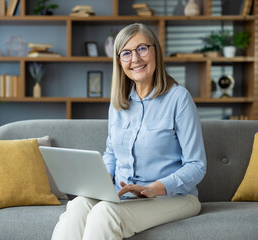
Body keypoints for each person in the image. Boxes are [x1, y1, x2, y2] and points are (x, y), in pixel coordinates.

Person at [51, 23, 206, 240]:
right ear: (119, 61)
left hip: (174, 197)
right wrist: (103, 177)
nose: (135, 59)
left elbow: (197, 166)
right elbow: (112, 152)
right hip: (122, 195)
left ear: (155, 51)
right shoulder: (118, 103)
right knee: (77, 206)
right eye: (126, 53)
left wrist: (154, 188)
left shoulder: (179, 99)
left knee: (105, 214)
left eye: (142, 48)